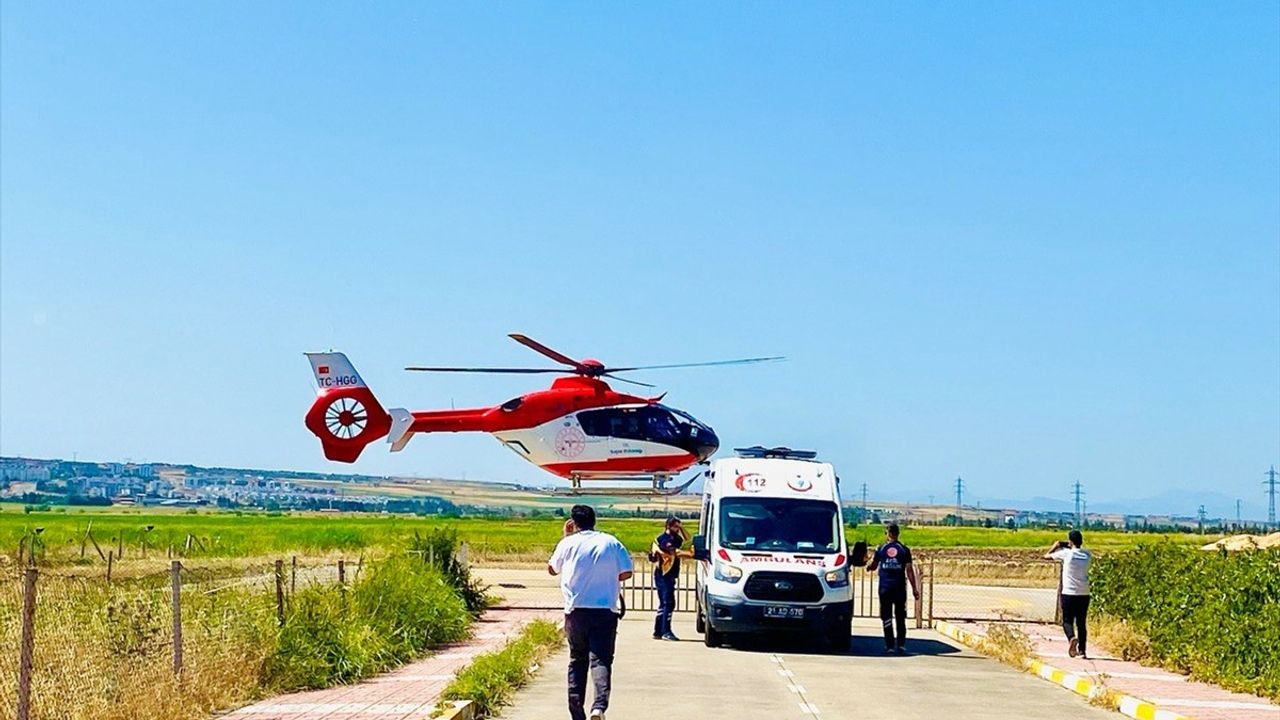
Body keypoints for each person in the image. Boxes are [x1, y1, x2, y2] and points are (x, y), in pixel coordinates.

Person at [548, 505, 634, 720]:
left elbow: (552, 569)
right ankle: (599, 707)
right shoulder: (611, 542)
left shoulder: (567, 543)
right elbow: (626, 573)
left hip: (576, 611)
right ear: (594, 520)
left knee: (577, 659)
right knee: (601, 660)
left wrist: (566, 537)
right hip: (605, 610)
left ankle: (577, 713)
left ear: (573, 522)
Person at [866, 523, 919, 654]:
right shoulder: (904, 550)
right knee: (900, 617)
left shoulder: (881, 549)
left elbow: (873, 565)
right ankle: (900, 644)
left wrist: (868, 565)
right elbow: (909, 571)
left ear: (888, 533)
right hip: (899, 588)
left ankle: (889, 645)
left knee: (886, 616)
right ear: (897, 533)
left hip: (885, 588)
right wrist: (914, 588)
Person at [1046, 530, 1092, 659]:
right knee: (1081, 623)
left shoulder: (1066, 554)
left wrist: (1056, 545)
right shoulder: (1087, 555)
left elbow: (1046, 556)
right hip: (1084, 592)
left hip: (1069, 592)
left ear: (1070, 541)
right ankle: (1082, 651)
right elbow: (1079, 550)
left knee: (1067, 621)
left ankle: (1072, 638)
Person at [649, 517, 693, 641]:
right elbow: (674, 552)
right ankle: (666, 631)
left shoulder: (676, 538)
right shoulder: (664, 540)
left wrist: (681, 527)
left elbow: (687, 538)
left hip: (670, 574)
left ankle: (658, 630)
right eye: (675, 527)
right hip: (663, 574)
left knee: (665, 603)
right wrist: (692, 554)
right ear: (668, 526)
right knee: (668, 602)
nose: (677, 529)